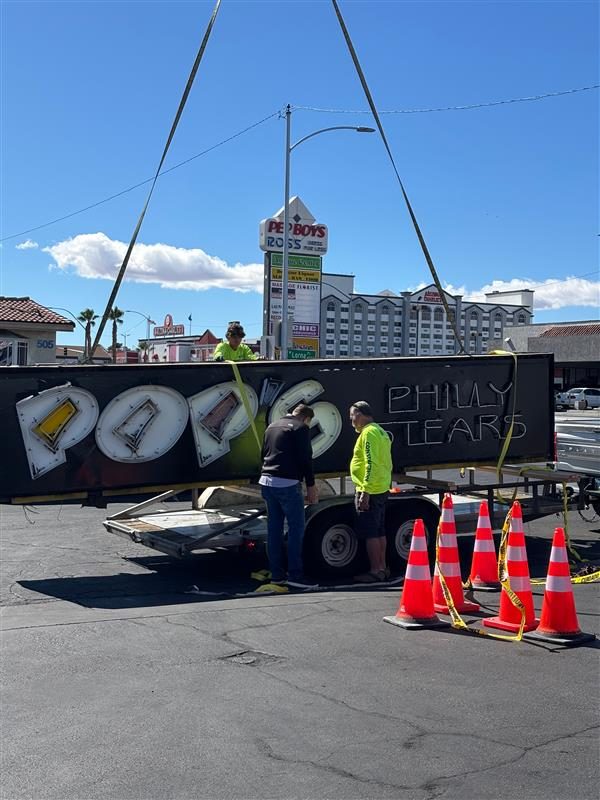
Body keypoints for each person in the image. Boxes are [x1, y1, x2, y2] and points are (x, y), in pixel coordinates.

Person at [259, 404, 319, 588]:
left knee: (274, 530)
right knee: (295, 529)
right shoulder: (301, 428)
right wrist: (310, 484)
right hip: (287, 483)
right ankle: (295, 575)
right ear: (306, 418)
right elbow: (305, 458)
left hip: (267, 481)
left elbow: (263, 454)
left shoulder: (272, 426)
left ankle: (277, 575)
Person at [349, 400, 393, 583]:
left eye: (352, 415)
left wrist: (365, 490)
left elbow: (370, 462)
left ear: (360, 414)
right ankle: (382, 568)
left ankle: (375, 570)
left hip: (371, 489)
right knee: (379, 530)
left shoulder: (368, 433)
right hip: (381, 486)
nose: (351, 420)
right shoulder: (380, 431)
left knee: (371, 533)